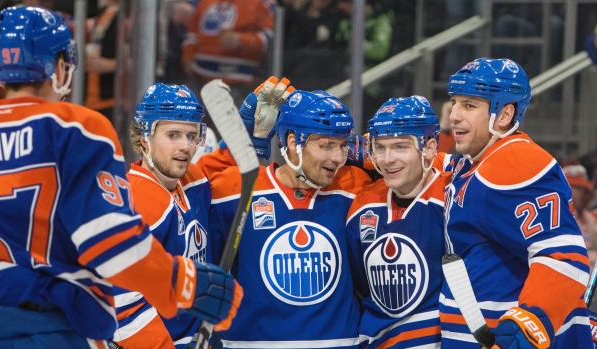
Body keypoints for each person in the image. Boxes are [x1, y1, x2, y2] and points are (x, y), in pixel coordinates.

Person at [0, 6, 241, 347]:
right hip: (52, 328)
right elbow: (110, 244)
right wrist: (185, 282)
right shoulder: (77, 128)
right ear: (60, 67)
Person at [201, 88, 372, 348]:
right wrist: (240, 140)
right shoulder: (233, 189)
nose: (337, 158)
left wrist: (375, 153)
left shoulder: (354, 184)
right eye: (326, 145)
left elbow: (416, 171)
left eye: (342, 145)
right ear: (292, 141)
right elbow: (182, 187)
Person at [441, 57, 592, 348]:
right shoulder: (476, 160)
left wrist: (527, 327)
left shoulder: (517, 162)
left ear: (504, 114)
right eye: (455, 102)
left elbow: (564, 260)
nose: (455, 115)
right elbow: (439, 166)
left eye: (470, 105)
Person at [345, 96, 454, 348]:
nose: (387, 159)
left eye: (400, 147)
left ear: (427, 148)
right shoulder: (362, 206)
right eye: (380, 148)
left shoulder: (455, 197)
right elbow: (361, 286)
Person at [111, 83, 214, 348]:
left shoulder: (189, 181)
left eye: (192, 136)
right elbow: (120, 303)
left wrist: (253, 133)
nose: (185, 147)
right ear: (144, 137)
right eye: (173, 135)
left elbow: (219, 168)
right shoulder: (137, 202)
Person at [181, 0, 274, 106]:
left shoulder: (259, 3)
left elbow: (269, 37)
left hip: (239, 83)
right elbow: (192, 33)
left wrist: (242, 40)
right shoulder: (204, 2)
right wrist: (188, 54)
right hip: (199, 79)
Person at [562, 164, 597, 272]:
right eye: (577, 187)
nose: (582, 193)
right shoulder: (557, 219)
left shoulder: (592, 217)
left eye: (584, 189)